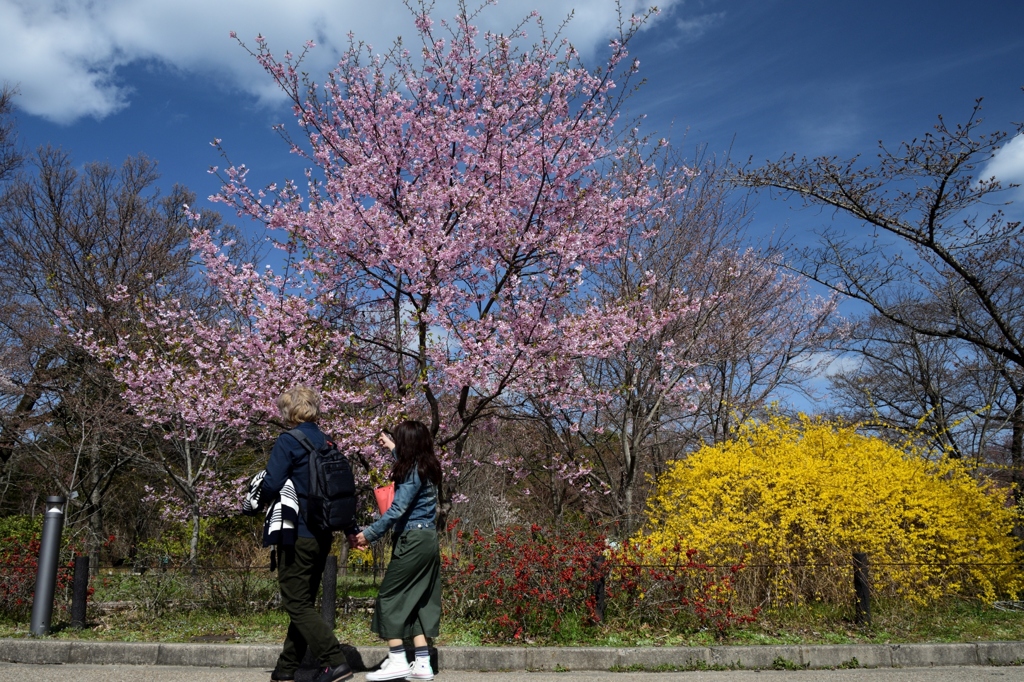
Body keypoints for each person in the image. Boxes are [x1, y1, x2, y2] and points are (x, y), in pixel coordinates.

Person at [261, 385, 356, 682]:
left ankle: (335, 660)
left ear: (289, 411)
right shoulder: (327, 442)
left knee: (295, 602)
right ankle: (286, 668)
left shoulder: (288, 441)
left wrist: (255, 495)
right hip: (323, 532)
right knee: (302, 600)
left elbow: (272, 483)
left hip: (298, 532)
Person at [354, 420, 442, 682]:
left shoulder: (412, 470)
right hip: (427, 538)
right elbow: (410, 470)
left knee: (389, 597)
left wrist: (369, 534)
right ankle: (423, 663)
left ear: (408, 444)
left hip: (412, 540)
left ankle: (397, 659)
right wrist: (391, 447)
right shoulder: (429, 466)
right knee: (417, 600)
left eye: (399, 441)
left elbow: (397, 509)